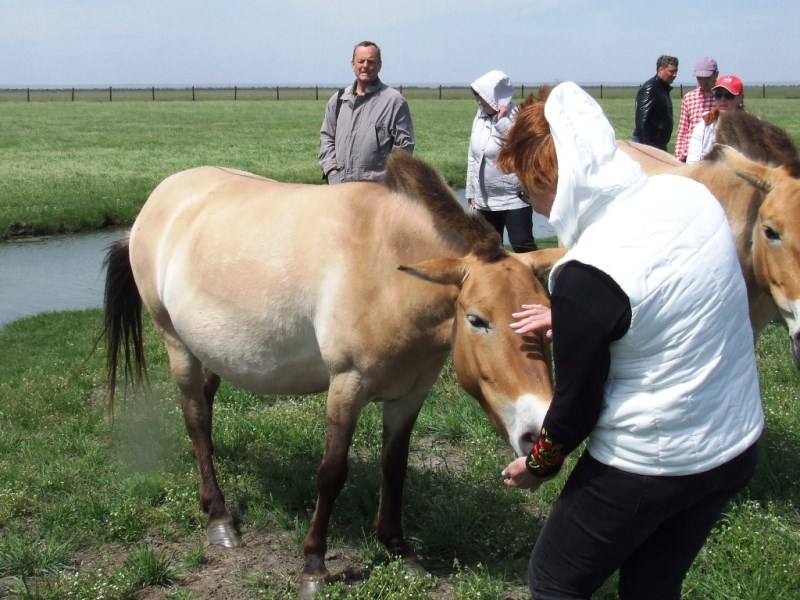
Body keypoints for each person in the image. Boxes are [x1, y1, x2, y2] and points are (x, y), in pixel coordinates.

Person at [496, 82, 763, 599]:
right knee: (651, 584)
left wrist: (539, 466)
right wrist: (579, 320)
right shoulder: (685, 194)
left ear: (556, 180)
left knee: (554, 581)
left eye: (529, 190)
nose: (534, 205)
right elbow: (671, 294)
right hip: (734, 442)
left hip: (653, 461)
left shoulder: (586, 274)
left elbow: (575, 408)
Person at [318, 41, 415, 184]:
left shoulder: (394, 101)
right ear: (353, 64)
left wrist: (387, 181)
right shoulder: (338, 100)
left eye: (371, 61)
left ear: (379, 65)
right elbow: (326, 138)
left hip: (377, 191)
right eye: (361, 61)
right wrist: (331, 171)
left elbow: (404, 148)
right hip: (340, 188)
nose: (365, 66)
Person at [466, 70, 536, 253]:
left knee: (522, 245)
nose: (479, 102)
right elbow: (473, 156)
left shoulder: (516, 116)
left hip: (514, 197)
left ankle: (536, 273)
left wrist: (501, 122)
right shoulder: (479, 117)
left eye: (482, 97)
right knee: (489, 250)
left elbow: (518, 148)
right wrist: (471, 190)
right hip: (485, 199)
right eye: (477, 97)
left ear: (493, 95)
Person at [686, 74, 746, 164]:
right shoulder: (704, 125)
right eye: (718, 95)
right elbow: (692, 161)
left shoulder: (751, 127)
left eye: (728, 95)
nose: (722, 99)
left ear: (740, 99)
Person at [673, 57, 718, 161]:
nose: (703, 82)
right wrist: (679, 155)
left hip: (713, 155)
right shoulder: (689, 98)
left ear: (716, 74)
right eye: (699, 78)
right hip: (691, 154)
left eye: (707, 78)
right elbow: (683, 129)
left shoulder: (723, 98)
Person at [631, 55, 679, 151]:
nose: (674, 75)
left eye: (676, 71)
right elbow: (642, 121)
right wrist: (648, 148)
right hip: (648, 144)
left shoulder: (662, 88)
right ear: (660, 70)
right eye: (671, 71)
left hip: (657, 143)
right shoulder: (651, 88)